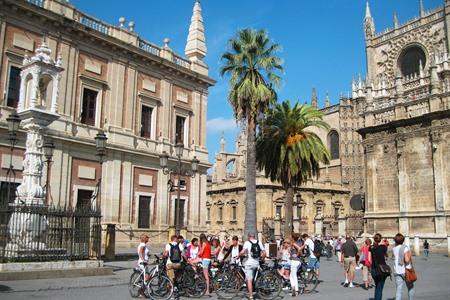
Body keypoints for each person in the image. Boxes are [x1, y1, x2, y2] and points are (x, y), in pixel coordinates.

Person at [240, 233, 266, 300]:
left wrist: (238, 255)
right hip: (256, 263)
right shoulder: (259, 242)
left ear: (249, 237)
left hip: (249, 264)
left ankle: (251, 296)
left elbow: (242, 252)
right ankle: (256, 286)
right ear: (254, 237)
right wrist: (262, 259)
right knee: (255, 277)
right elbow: (264, 252)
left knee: (249, 280)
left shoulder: (247, 243)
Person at [393, 233, 415, 300]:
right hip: (406, 271)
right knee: (410, 287)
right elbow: (407, 260)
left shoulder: (394, 248)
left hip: (397, 270)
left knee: (398, 290)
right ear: (403, 241)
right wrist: (410, 254)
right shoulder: (405, 248)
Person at [370, 233, 388, 300]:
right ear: (380, 240)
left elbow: (369, 258)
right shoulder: (383, 247)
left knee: (377, 286)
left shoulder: (371, 248)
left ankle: (376, 298)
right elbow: (386, 255)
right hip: (382, 269)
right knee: (380, 287)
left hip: (374, 269)